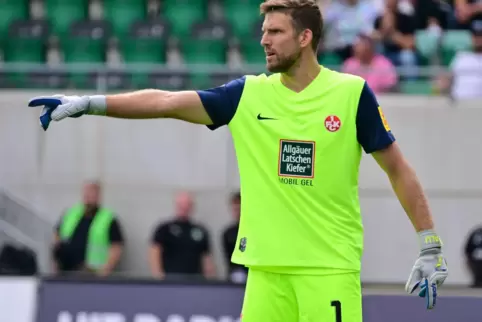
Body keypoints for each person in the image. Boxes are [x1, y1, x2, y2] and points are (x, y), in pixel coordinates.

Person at [28, 0, 448, 320]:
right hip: (263, 271)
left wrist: (429, 244)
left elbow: (397, 169)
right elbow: (167, 102)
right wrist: (89, 102)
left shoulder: (352, 93)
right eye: (264, 30)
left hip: (328, 268)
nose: (264, 39)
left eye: (276, 32)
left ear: (305, 38)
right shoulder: (247, 94)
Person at [52, 181, 124, 277]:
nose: (88, 196)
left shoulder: (108, 218)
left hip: (92, 273)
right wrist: (56, 263)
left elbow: (116, 247)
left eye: (92, 193)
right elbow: (57, 235)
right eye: (86, 192)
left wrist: (105, 271)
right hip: (66, 270)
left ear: (98, 196)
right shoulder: (71, 213)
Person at [148, 191, 216, 280]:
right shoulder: (164, 229)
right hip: (170, 280)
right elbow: (154, 252)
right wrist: (158, 276)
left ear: (192, 206)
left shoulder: (201, 230)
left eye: (187, 204)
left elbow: (206, 258)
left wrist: (210, 279)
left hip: (196, 281)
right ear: (176, 205)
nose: (184, 207)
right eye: (181, 204)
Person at [222, 191, 248, 284]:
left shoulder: (252, 231)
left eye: (239, 208)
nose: (237, 212)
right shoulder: (228, 233)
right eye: (235, 209)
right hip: (236, 273)